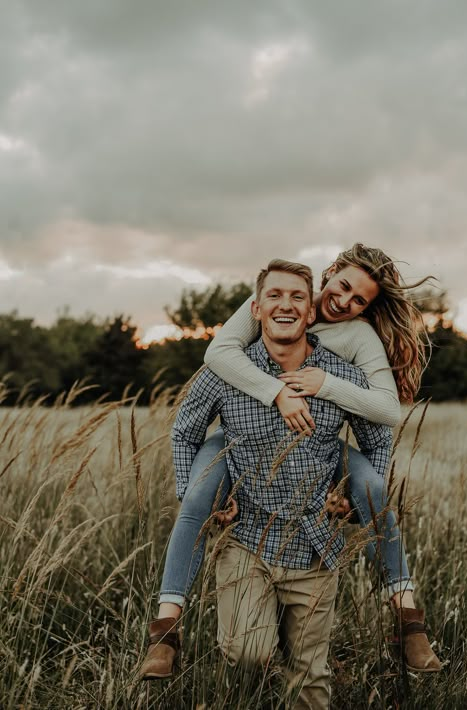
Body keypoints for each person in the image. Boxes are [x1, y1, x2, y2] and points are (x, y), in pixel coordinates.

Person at [140, 244, 441, 681]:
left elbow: (386, 415)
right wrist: (276, 392)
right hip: (242, 436)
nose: (344, 302)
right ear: (330, 273)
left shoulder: (358, 337)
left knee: (374, 490)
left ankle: (408, 619)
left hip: (319, 443)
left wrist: (326, 384)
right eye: (342, 287)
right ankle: (165, 632)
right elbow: (218, 354)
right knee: (197, 494)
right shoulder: (278, 299)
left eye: (359, 300)